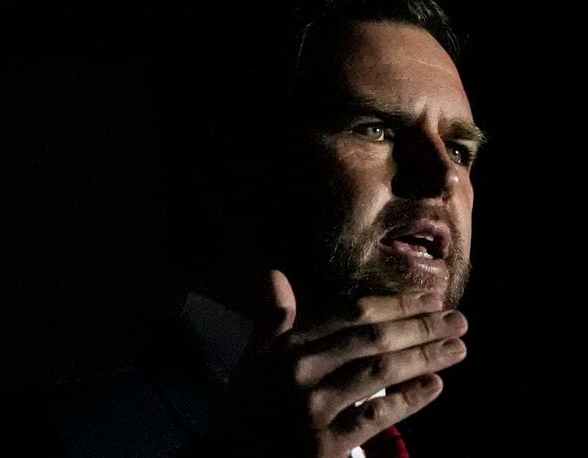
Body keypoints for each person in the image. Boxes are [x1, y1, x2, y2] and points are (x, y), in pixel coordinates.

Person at [190, 0, 487, 456]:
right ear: (240, 170)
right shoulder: (65, 429)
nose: (444, 174)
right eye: (375, 130)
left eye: (459, 150)